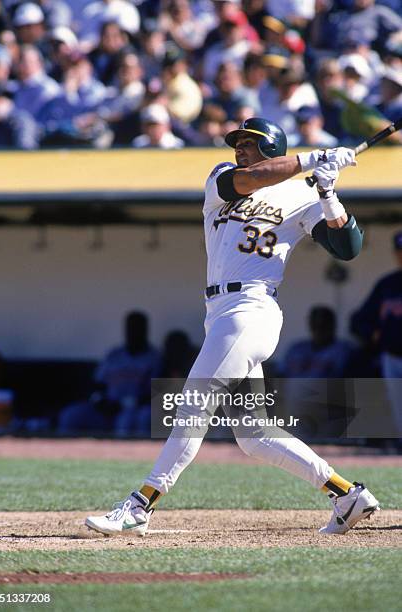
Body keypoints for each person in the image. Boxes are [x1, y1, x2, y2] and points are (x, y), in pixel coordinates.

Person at [86, 117, 380, 537]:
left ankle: (140, 505)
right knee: (254, 434)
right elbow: (251, 178)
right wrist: (313, 157)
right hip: (220, 311)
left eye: (250, 143)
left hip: (253, 307)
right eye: (238, 142)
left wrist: (329, 193)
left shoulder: (301, 193)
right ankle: (346, 494)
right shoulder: (224, 177)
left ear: (274, 147)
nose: (240, 148)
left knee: (193, 404)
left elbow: (347, 248)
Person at [57, 311, 160, 436]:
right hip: (106, 405)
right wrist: (99, 400)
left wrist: (126, 404)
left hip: (133, 408)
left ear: (145, 330)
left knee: (125, 421)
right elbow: (97, 384)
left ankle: (124, 455)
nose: (133, 332)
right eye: (130, 328)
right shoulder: (114, 355)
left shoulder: (154, 357)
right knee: (70, 415)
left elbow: (155, 393)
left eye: (137, 328)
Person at [351, 230, 402, 442]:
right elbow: (359, 319)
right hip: (391, 355)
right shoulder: (387, 284)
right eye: (400, 251)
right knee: (398, 406)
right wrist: (372, 335)